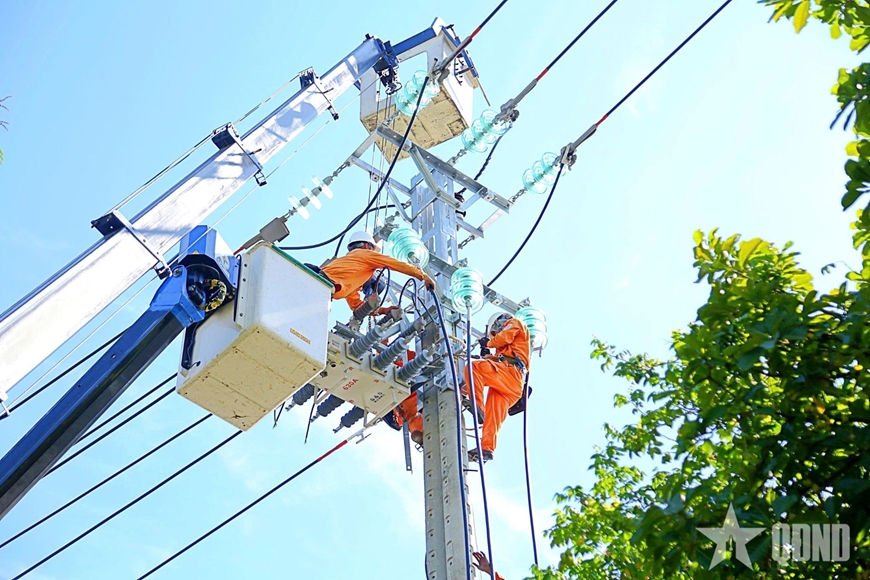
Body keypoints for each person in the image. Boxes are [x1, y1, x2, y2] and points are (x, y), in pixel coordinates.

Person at [463, 312, 530, 463]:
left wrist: (488, 343)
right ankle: (486, 449)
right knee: (493, 417)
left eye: (494, 332)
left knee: (474, 368)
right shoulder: (509, 347)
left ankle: (477, 406)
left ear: (499, 323)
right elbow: (500, 358)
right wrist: (487, 354)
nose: (495, 335)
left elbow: (504, 338)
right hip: (512, 384)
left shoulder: (515, 323)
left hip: (510, 373)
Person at [319, 231, 435, 314]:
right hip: (321, 284)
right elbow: (396, 264)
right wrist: (423, 276)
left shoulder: (348, 272)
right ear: (367, 246)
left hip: (319, 284)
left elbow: (356, 305)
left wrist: (383, 310)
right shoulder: (366, 254)